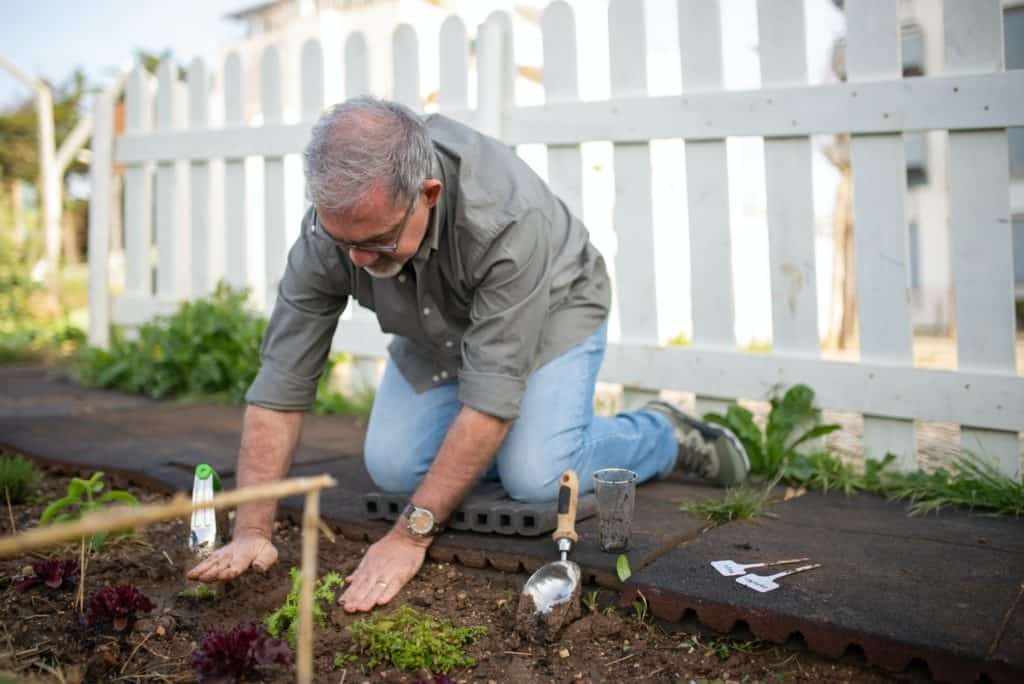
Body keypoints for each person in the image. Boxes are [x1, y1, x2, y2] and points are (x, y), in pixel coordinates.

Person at [186, 96, 749, 612]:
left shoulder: (505, 217)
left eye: (377, 242)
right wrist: (253, 529)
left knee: (535, 476)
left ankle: (661, 434)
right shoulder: (331, 235)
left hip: (551, 306)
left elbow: (491, 399)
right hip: (436, 322)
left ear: (426, 195)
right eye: (343, 243)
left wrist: (410, 534)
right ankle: (489, 457)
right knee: (394, 468)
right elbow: (282, 382)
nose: (356, 261)